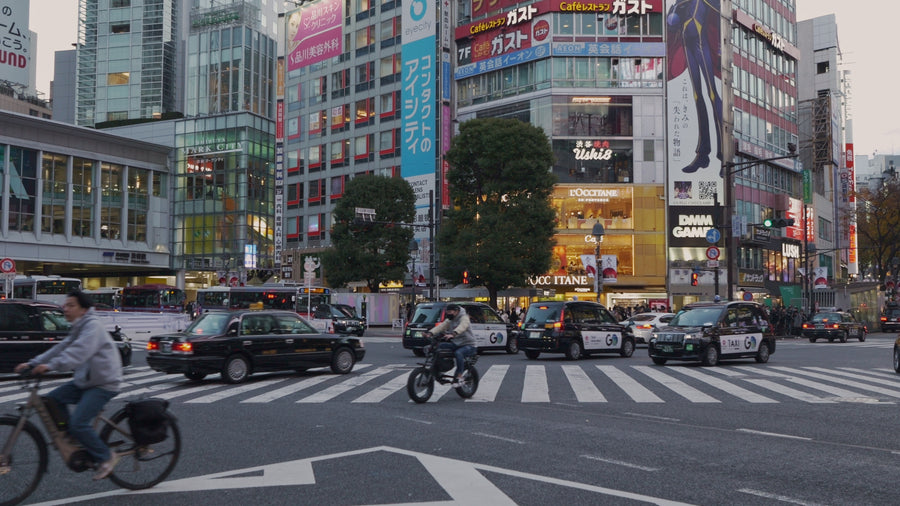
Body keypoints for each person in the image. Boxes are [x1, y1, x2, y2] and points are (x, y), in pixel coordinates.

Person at [15, 289, 124, 480]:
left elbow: (78, 353)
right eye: (65, 305)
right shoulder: (79, 326)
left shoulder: (92, 327)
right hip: (86, 381)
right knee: (53, 399)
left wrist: (50, 366)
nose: (65, 309)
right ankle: (74, 436)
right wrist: (33, 363)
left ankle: (107, 456)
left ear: (83, 309)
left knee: (79, 423)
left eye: (71, 305)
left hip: (103, 383)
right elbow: (62, 347)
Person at [427, 304, 476, 386]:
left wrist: (453, 334)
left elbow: (462, 326)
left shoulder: (464, 318)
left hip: (469, 345)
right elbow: (441, 326)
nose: (448, 313)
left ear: (456, 311)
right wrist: (430, 333)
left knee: (458, 353)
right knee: (438, 347)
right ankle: (438, 371)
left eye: (450, 312)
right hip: (456, 344)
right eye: (447, 311)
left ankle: (459, 376)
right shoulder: (450, 320)